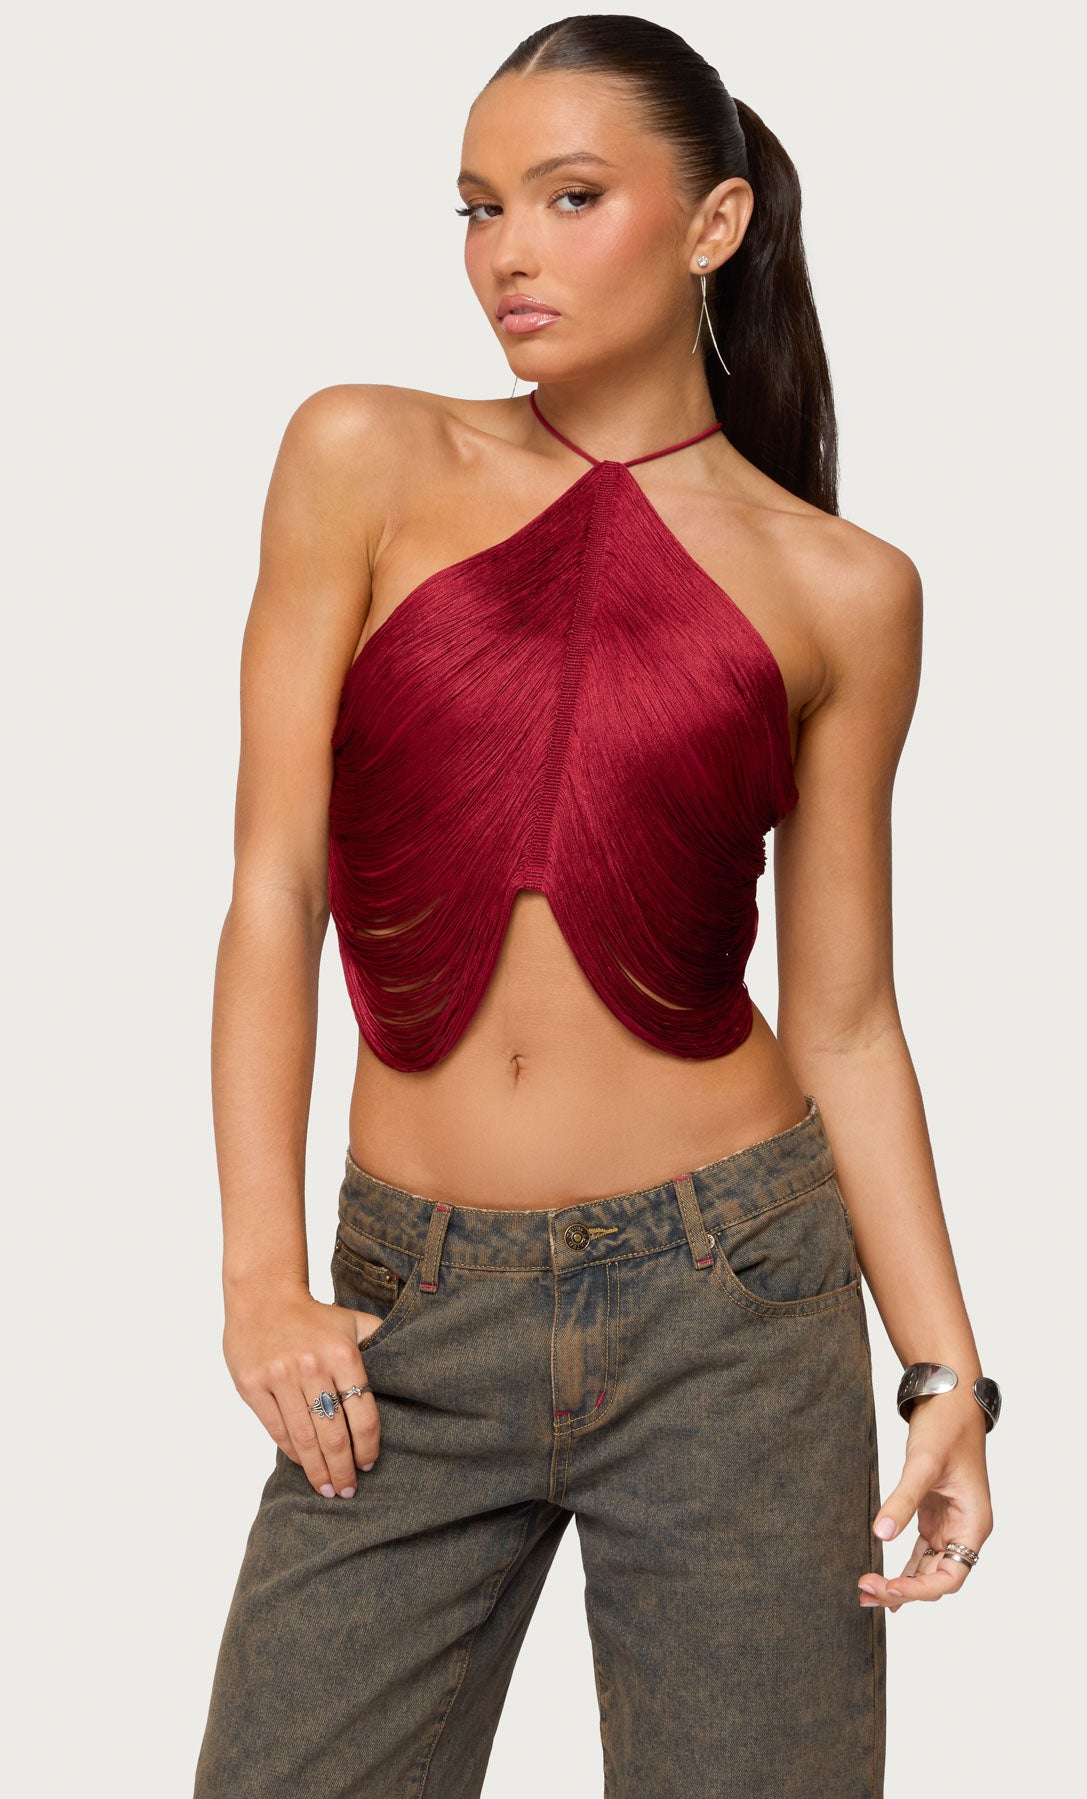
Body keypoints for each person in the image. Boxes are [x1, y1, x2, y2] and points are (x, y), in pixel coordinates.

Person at [194, 14, 997, 1797]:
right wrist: (262, 1279)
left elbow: (847, 1021)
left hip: (736, 1305)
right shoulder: (364, 456)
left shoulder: (845, 588)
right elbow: (272, 887)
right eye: (480, 207)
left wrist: (947, 1379)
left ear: (714, 224)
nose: (510, 252)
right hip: (410, 1311)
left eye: (569, 198)